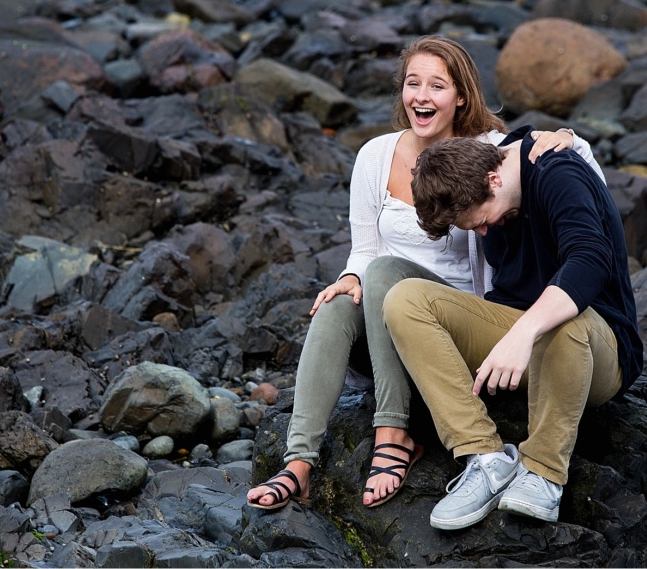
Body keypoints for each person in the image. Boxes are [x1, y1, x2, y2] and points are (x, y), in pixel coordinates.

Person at [246, 36, 606, 511]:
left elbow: (558, 168)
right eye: (413, 83)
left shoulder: (488, 154)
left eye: (437, 86)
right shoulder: (375, 156)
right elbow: (364, 250)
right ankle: (299, 463)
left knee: (383, 276)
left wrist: (567, 137)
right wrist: (350, 276)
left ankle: (394, 432)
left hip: (451, 317)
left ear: (460, 96)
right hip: (384, 308)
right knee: (345, 295)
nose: (421, 96)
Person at [382, 127, 642, 530]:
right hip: (525, 343)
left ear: (494, 178)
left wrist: (523, 334)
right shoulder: (495, 172)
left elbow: (590, 260)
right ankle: (486, 459)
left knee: (563, 317)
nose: (485, 232)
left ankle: (543, 473)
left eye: (483, 222)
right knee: (405, 299)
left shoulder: (558, 171)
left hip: (598, 348)